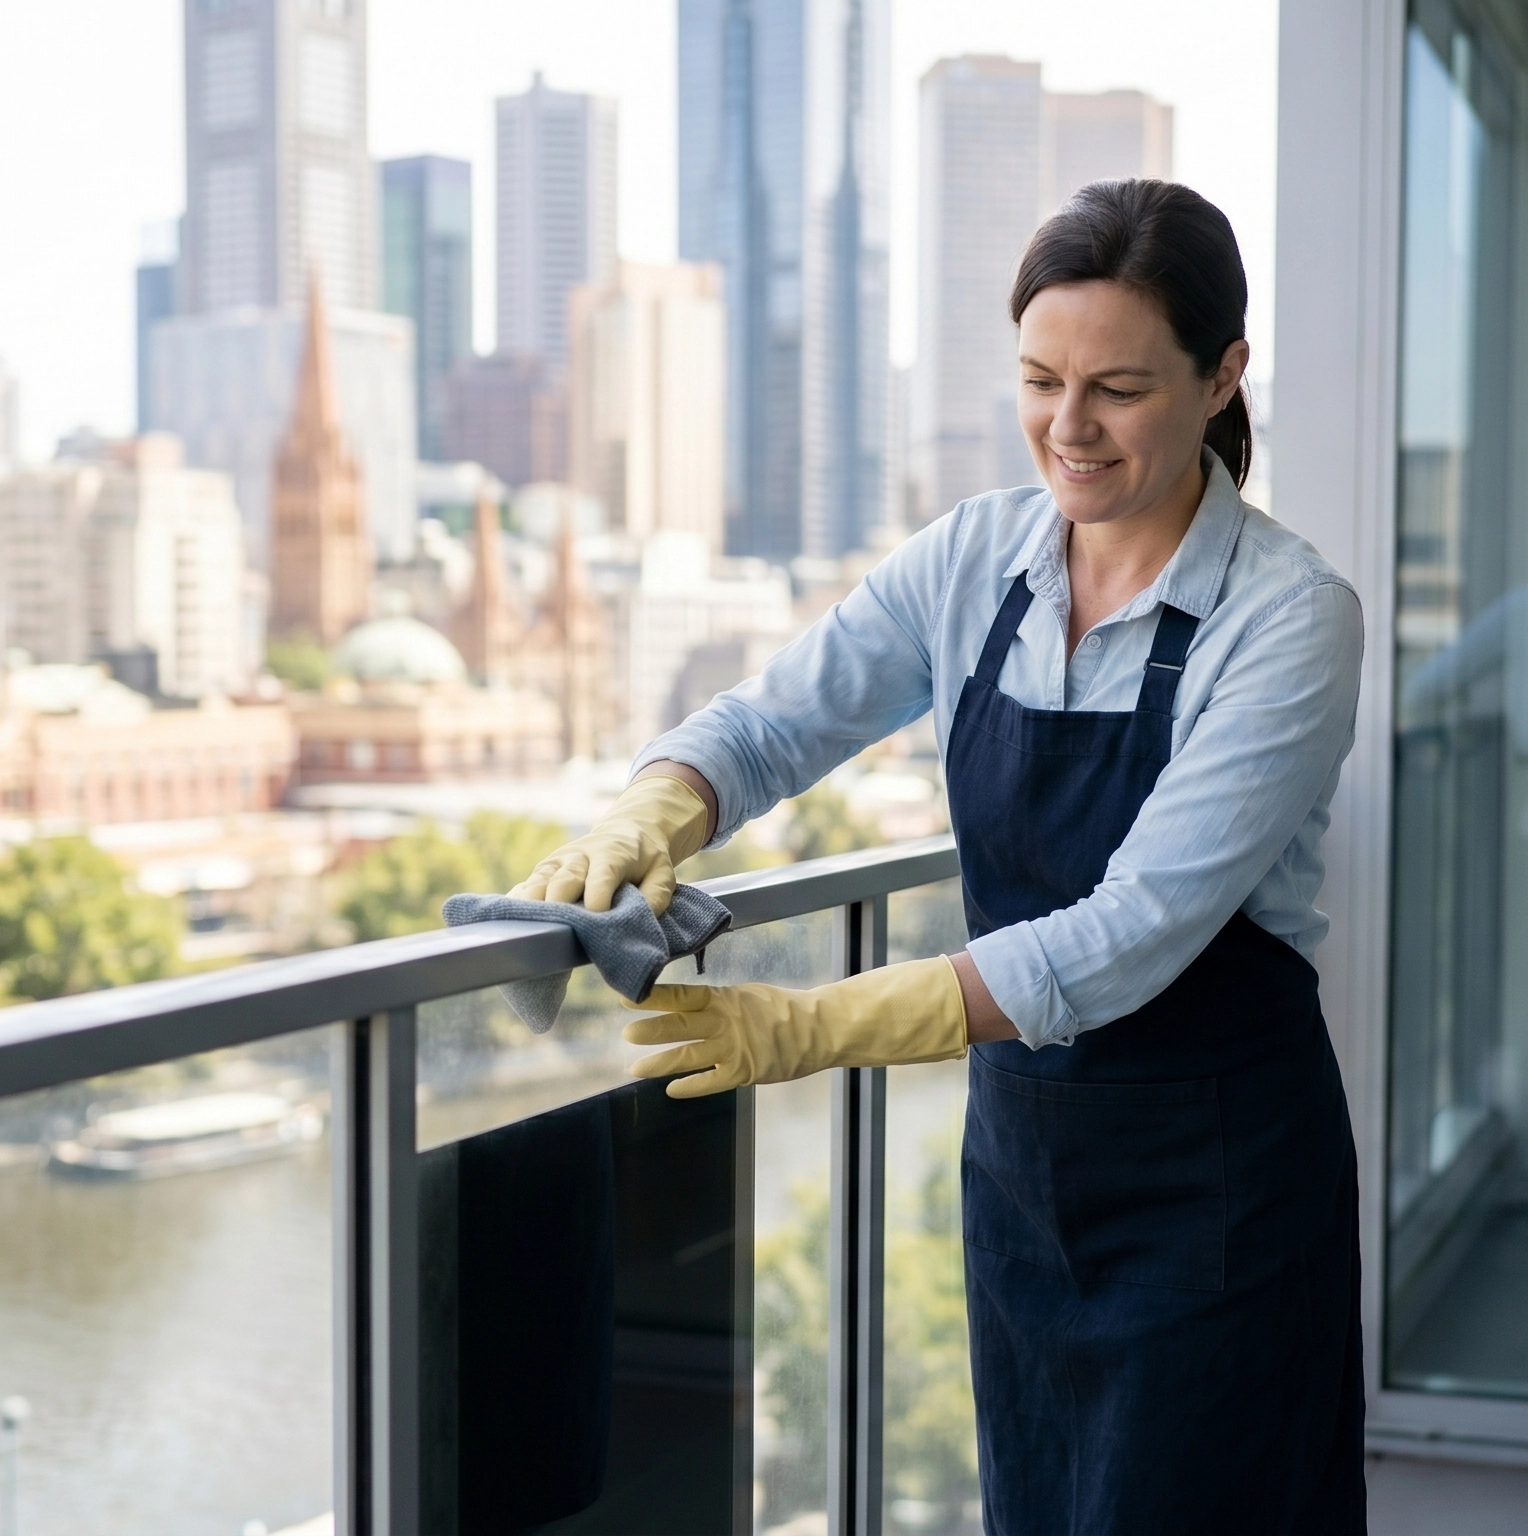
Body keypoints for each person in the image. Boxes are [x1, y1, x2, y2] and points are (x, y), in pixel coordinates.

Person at [509, 178, 1366, 1532]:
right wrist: (655, 807)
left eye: (1120, 389)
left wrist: (813, 1027)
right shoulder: (976, 559)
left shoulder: (1292, 621)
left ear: (1222, 378)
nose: (1067, 429)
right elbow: (778, 716)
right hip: (1026, 1171)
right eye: (1039, 380)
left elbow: (1128, 934)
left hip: (1219, 1193)